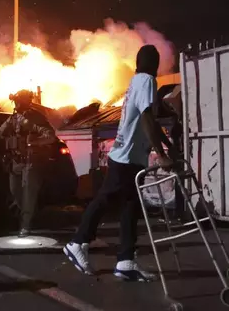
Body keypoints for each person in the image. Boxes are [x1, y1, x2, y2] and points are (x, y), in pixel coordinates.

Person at [63, 44, 173, 281]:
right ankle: (78, 241)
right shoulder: (146, 81)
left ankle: (125, 260)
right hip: (126, 157)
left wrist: (167, 145)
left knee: (130, 208)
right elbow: (146, 118)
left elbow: (150, 120)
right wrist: (162, 153)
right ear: (154, 63)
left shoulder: (136, 82)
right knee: (107, 198)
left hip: (129, 156)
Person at [0, 89, 56, 237]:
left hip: (31, 161)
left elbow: (50, 136)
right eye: (15, 101)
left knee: (28, 195)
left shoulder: (36, 117)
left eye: (18, 100)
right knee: (15, 192)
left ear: (25, 101)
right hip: (15, 161)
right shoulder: (13, 118)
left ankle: (25, 226)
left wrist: (35, 141)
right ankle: (27, 218)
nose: (15, 103)